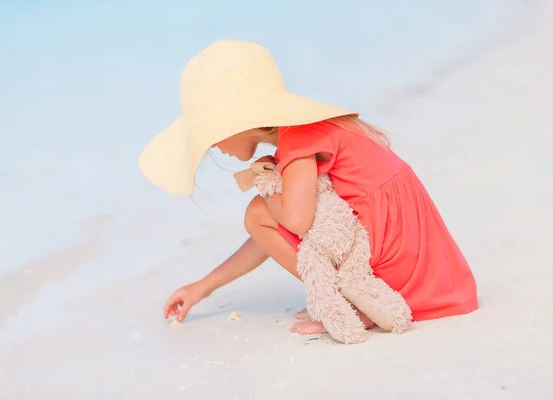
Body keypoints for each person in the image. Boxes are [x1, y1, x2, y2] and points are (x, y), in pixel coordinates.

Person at [139, 40, 478, 336]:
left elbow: (294, 223)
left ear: (238, 123)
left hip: (401, 267)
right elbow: (271, 235)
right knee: (262, 212)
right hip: (422, 262)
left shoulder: (299, 140)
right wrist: (203, 287)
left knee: (258, 210)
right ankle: (353, 299)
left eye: (209, 135)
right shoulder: (306, 132)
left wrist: (268, 190)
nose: (213, 148)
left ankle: (348, 307)